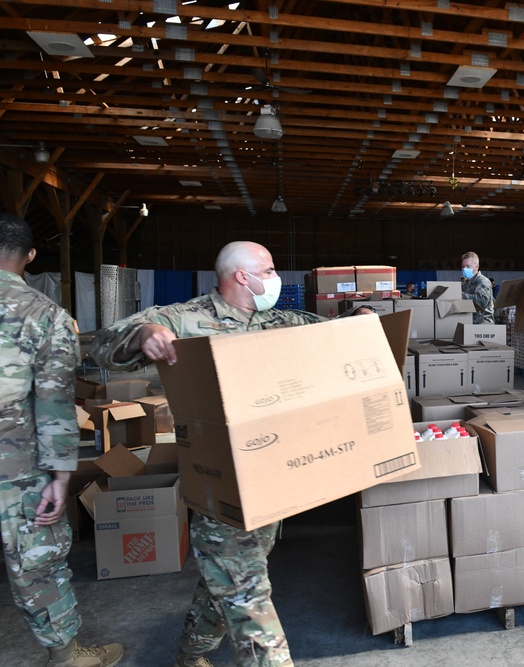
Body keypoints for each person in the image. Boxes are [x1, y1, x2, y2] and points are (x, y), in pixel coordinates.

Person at [91, 241, 326, 667]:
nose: (276, 279)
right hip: (220, 486)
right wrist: (145, 335)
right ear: (242, 275)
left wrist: (359, 321)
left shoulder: (277, 321)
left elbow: (328, 331)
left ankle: (189, 656)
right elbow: (103, 345)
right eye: (269, 270)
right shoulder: (184, 318)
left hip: (273, 481)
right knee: (247, 593)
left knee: (226, 580)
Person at [0, 213, 125, 667]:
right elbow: (54, 402)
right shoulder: (44, 315)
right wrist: (60, 475)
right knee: (36, 560)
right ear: (31, 258)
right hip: (15, 463)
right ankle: (66, 657)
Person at [459, 251, 495, 324]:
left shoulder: (483, 282)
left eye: (468, 266)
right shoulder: (466, 283)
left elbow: (480, 302)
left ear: (477, 267)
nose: (464, 269)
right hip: (469, 322)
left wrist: (458, 295)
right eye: (463, 267)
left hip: (483, 324)